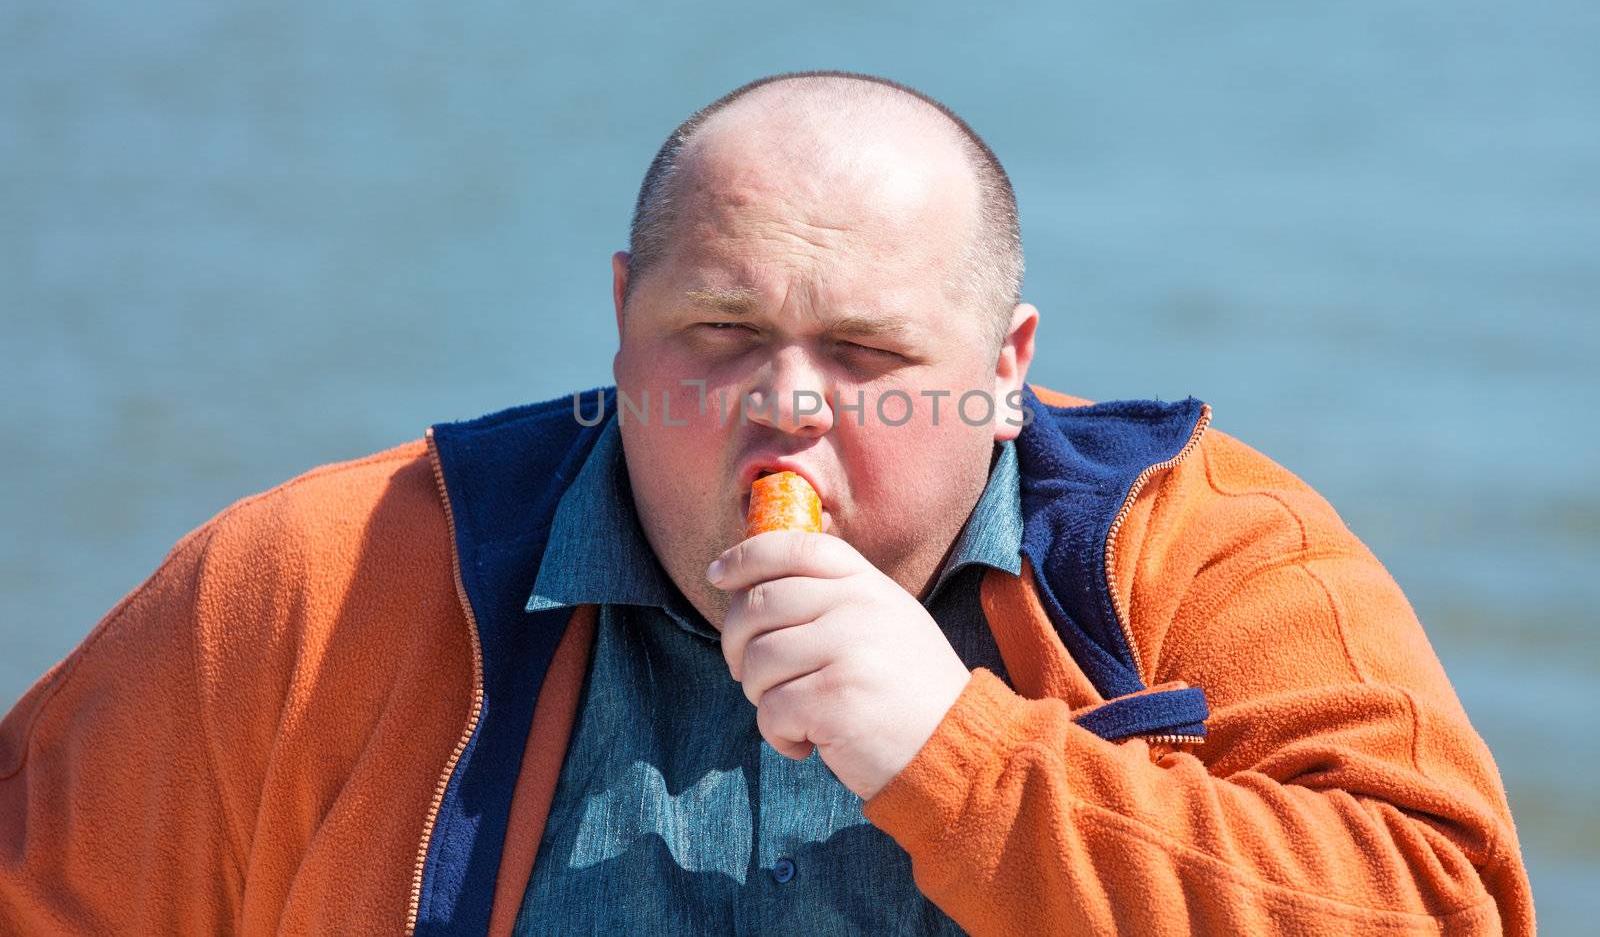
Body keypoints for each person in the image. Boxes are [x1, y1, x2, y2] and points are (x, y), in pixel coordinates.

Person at [0, 71, 1534, 936]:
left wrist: (958, 754)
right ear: (621, 315)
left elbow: (1446, 912)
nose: (788, 402)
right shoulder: (311, 587)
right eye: (719, 337)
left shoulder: (1202, 552)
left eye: (871, 354)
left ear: (1004, 370)